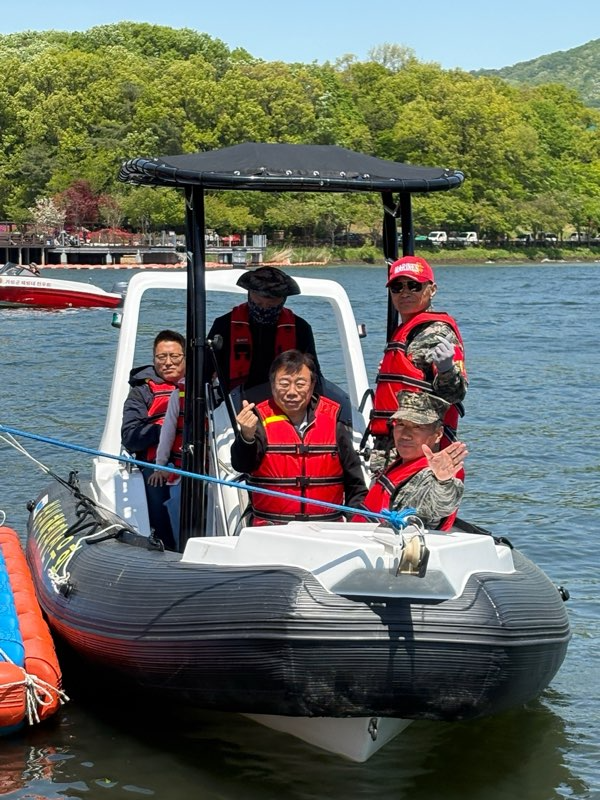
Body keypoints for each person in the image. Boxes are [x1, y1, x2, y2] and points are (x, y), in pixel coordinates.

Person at [231, 349, 367, 526]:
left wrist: (355, 526)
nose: (292, 392)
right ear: (272, 386)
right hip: (271, 529)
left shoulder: (334, 422)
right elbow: (241, 464)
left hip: (327, 529)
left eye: (300, 384)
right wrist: (246, 436)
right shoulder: (258, 420)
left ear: (312, 385)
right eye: (284, 384)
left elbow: (355, 485)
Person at [369, 255, 468, 469]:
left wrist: (447, 370)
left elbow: (456, 393)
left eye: (414, 286)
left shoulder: (438, 332)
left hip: (420, 449)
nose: (405, 293)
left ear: (432, 289)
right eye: (397, 287)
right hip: (390, 445)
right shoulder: (404, 332)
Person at [357, 391, 468, 530]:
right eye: (401, 424)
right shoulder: (399, 462)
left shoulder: (432, 475)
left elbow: (433, 508)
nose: (405, 435)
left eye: (417, 427)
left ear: (438, 434)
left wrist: (443, 482)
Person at [207, 266, 320, 394]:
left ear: (283, 300)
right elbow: (205, 368)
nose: (264, 308)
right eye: (259, 303)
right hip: (235, 401)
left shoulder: (301, 328)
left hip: (283, 400)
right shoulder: (224, 325)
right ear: (249, 295)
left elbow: (313, 373)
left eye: (271, 304)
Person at [121, 330, 186, 549]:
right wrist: (165, 429)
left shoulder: (200, 386)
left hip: (194, 458)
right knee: (158, 485)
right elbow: (130, 436)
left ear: (186, 357)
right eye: (161, 357)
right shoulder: (142, 391)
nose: (168, 362)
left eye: (175, 357)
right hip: (156, 462)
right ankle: (166, 546)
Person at [147, 377, 185, 549]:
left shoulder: (220, 393)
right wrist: (160, 466)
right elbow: (167, 432)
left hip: (216, 471)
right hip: (184, 470)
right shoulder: (178, 395)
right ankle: (179, 548)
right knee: (176, 500)